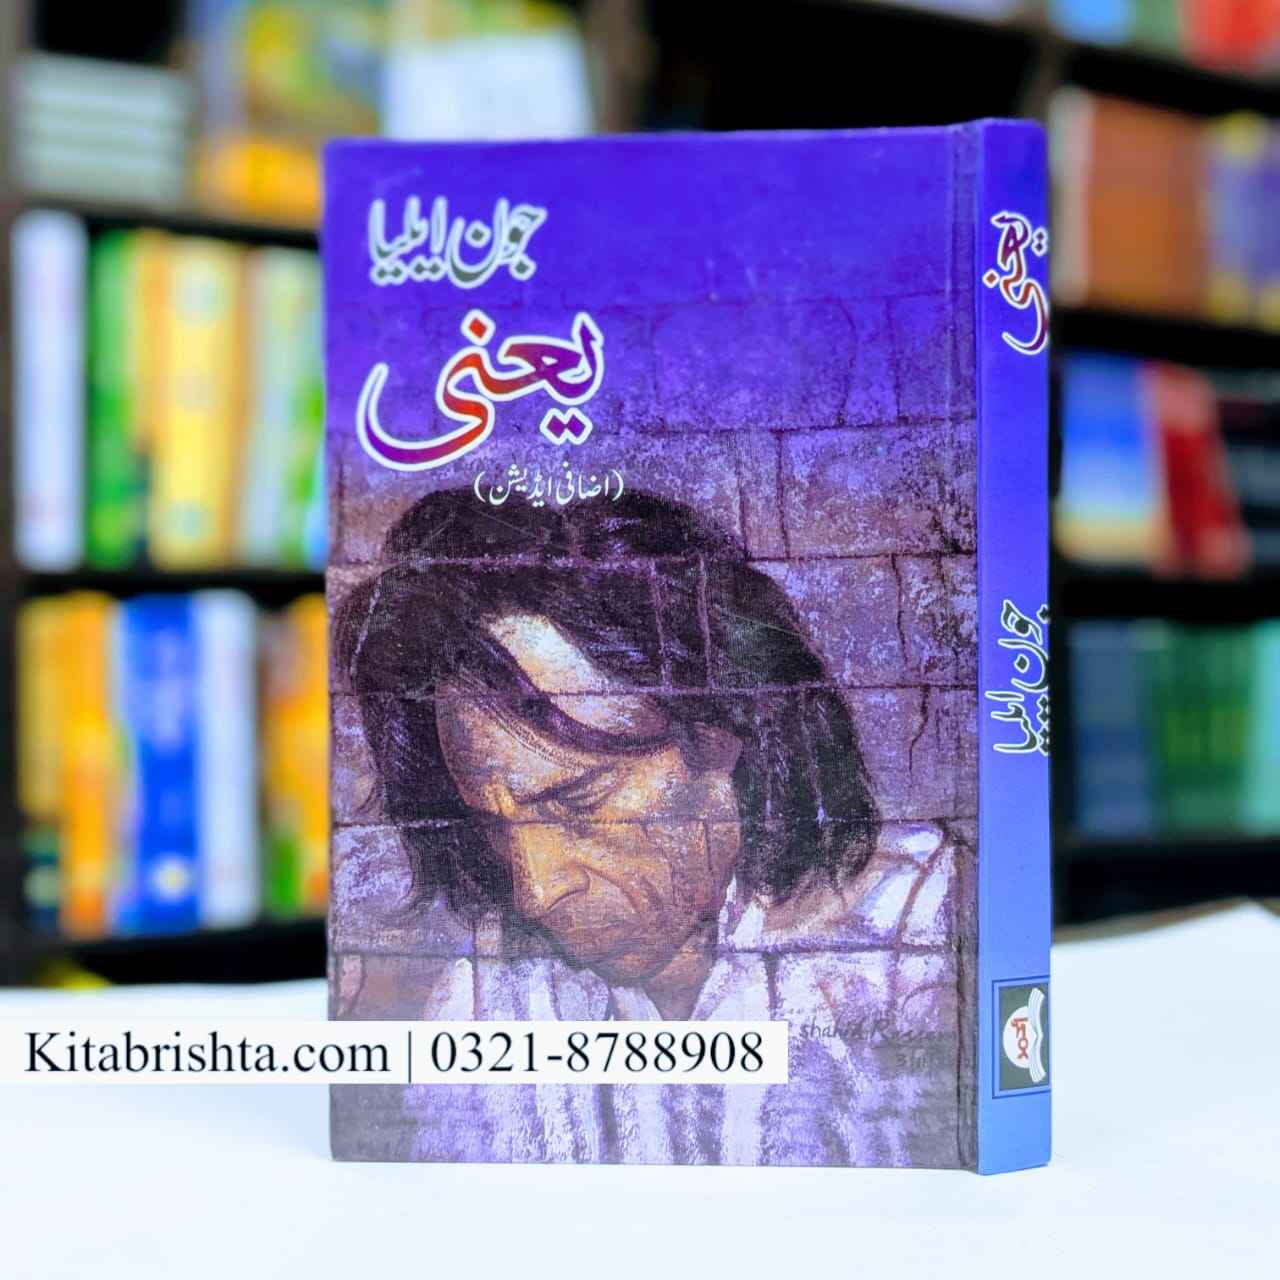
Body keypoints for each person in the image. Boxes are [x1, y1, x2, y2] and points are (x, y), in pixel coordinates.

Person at [333, 487, 968, 1166]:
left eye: (578, 800)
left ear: (721, 735)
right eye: (493, 825)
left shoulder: (921, 934)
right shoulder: (492, 1002)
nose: (535, 891)